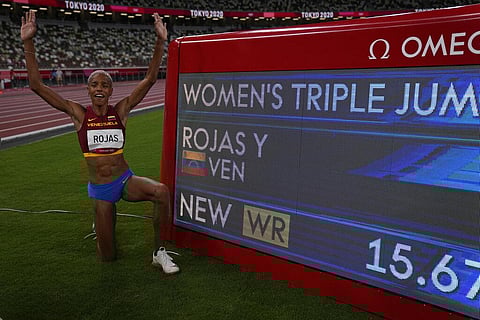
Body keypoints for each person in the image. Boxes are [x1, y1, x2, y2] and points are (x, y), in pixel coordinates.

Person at [21, 10, 179, 274]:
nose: (99, 89)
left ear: (110, 91)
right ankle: (102, 220)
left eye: (105, 85)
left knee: (161, 191)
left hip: (125, 180)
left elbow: (151, 79)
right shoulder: (79, 114)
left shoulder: (121, 111)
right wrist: (28, 42)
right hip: (101, 189)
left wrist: (160, 40)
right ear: (88, 89)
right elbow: (37, 85)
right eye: (94, 84)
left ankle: (158, 252)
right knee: (108, 258)